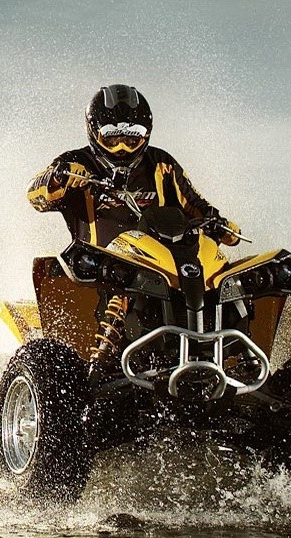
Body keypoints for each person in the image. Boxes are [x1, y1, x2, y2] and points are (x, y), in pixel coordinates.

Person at [28, 84, 241, 378]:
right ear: (95, 130)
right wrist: (59, 178)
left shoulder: (161, 163)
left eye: (133, 134)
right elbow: (35, 194)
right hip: (102, 269)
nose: (123, 144)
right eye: (113, 134)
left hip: (168, 262)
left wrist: (218, 222)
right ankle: (96, 373)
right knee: (122, 286)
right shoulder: (77, 161)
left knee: (225, 279)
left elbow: (193, 202)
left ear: (147, 131)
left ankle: (240, 364)